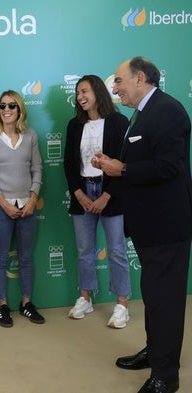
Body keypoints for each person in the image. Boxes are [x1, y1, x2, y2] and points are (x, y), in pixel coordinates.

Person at [94, 56, 191, 393]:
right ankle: (156, 353)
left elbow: (169, 166)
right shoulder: (143, 112)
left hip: (166, 226)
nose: (114, 87)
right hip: (150, 226)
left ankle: (166, 377)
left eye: (118, 80)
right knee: (153, 296)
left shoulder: (167, 110)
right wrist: (113, 165)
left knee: (165, 300)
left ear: (139, 78)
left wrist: (122, 170)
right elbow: (140, 160)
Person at [63, 75, 132, 328]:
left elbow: (124, 164)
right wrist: (79, 194)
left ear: (98, 92)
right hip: (83, 192)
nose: (80, 96)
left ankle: (122, 304)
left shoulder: (118, 122)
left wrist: (106, 195)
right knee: (84, 251)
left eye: (84, 91)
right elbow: (69, 164)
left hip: (110, 194)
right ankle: (86, 297)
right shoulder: (74, 125)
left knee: (116, 250)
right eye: (78, 92)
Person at [0, 90, 45, 328]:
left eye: (12, 105)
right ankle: (2, 306)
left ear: (20, 110)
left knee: (27, 258)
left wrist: (32, 199)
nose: (6, 109)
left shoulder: (31, 136)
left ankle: (27, 303)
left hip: (28, 206)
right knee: (0, 258)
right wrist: (4, 203)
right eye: (2, 106)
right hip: (2, 208)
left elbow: (37, 169)